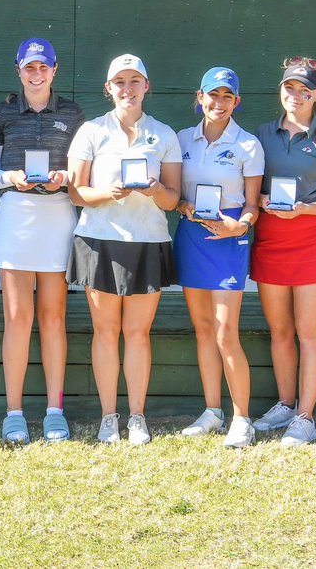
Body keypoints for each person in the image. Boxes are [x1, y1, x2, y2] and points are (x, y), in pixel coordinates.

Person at [0, 38, 87, 445]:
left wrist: (66, 179)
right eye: (29, 68)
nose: (37, 75)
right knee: (18, 318)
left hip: (59, 214)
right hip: (16, 216)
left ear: (54, 70)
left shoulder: (73, 113)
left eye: (44, 68)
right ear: (19, 70)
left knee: (54, 318)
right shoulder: (3, 112)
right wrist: (10, 178)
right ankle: (14, 412)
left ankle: (54, 410)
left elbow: (83, 171)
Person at [66, 54, 181, 444]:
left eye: (135, 81)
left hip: (148, 242)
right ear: (109, 88)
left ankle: (136, 417)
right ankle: (108, 417)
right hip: (99, 241)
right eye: (120, 82)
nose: (127, 89)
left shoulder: (164, 134)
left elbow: (172, 199)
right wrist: (106, 193)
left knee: (137, 334)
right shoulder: (90, 132)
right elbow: (76, 193)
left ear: (146, 86)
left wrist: (156, 190)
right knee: (105, 331)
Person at [250, 58, 316, 446]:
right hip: (271, 240)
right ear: (281, 91)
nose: (296, 95)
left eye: (304, 90)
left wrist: (306, 208)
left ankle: (305, 418)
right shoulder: (261, 133)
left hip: (312, 241)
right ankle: (286, 404)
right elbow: (250, 190)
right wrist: (260, 200)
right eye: (289, 88)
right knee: (280, 332)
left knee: (309, 334)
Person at [174, 67, 263, 449]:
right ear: (200, 97)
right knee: (204, 330)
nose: (219, 103)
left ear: (236, 102)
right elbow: (174, 194)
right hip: (192, 236)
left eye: (227, 96)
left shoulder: (249, 145)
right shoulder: (181, 140)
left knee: (226, 332)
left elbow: (253, 205)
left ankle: (242, 419)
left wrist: (239, 226)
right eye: (213, 95)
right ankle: (213, 412)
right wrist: (184, 207)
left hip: (229, 240)